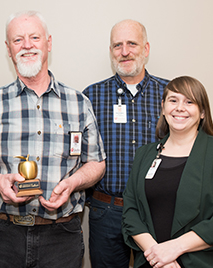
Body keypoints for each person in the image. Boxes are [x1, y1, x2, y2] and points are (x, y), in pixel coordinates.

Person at [0, 11, 106, 268]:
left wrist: (73, 183)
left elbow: (96, 163)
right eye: (18, 40)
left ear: (48, 43)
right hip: (2, 233)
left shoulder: (78, 103)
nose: (27, 45)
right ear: (8, 49)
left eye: (34, 37)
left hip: (62, 236)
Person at [122, 76, 213, 268]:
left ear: (203, 112)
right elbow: (131, 212)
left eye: (189, 102)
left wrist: (173, 249)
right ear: (163, 107)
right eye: (173, 101)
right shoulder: (144, 155)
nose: (180, 108)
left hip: (205, 262)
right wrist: (158, 255)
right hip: (151, 262)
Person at [82, 19, 169, 267]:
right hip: (107, 211)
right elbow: (79, 154)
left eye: (132, 43)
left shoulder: (169, 94)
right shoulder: (91, 96)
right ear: (111, 52)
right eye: (117, 45)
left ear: (146, 48)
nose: (125, 51)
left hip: (158, 211)